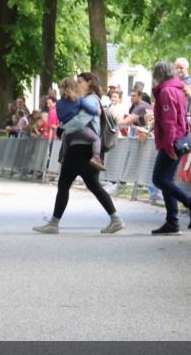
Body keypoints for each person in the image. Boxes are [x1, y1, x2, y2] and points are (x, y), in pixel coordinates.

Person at [33, 73, 123, 235]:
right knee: (88, 184)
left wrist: (63, 129)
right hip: (83, 147)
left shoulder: (89, 100)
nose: (77, 84)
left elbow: (81, 121)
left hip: (81, 148)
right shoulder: (84, 100)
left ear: (89, 83)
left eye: (80, 82)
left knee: (67, 183)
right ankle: (115, 218)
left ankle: (54, 223)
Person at [149, 61, 191, 235]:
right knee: (167, 180)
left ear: (158, 75)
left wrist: (168, 146)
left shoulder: (166, 91)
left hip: (173, 140)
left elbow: (169, 121)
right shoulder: (177, 90)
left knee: (159, 179)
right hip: (180, 138)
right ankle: (172, 221)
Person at [53, 77, 105, 170]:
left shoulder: (58, 103)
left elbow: (60, 117)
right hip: (79, 129)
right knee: (96, 139)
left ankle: (63, 158)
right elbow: (90, 109)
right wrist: (97, 111)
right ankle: (96, 158)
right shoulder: (78, 100)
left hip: (67, 131)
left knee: (66, 142)